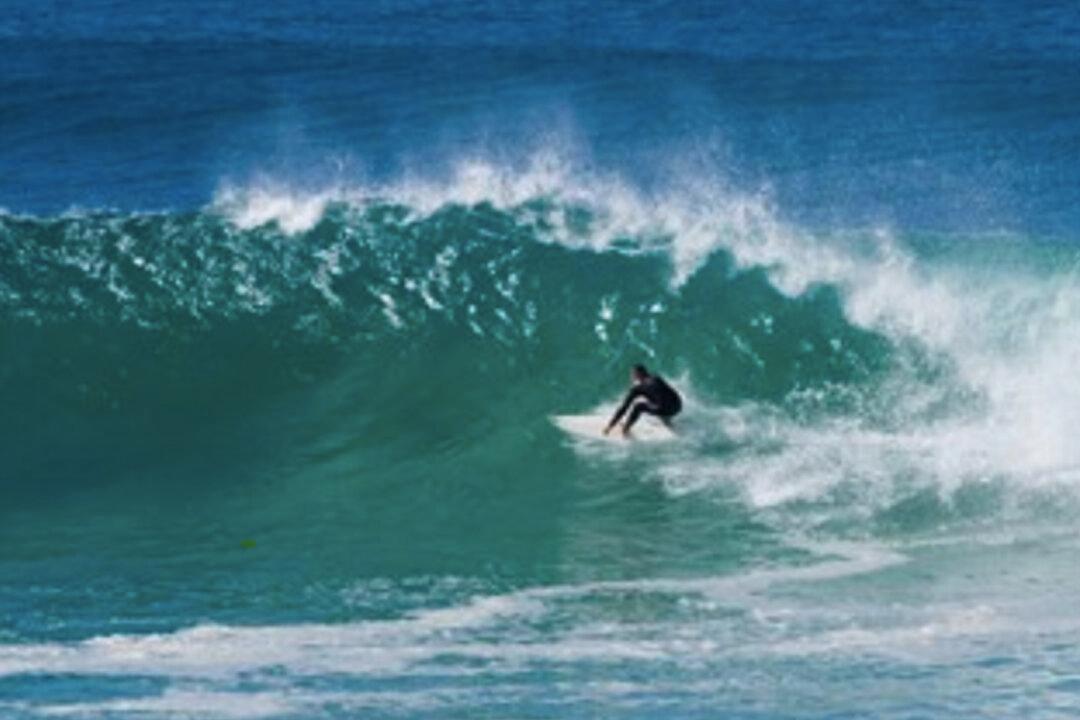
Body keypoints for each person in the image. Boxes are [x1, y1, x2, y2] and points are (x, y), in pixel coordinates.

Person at [603, 364, 682, 437]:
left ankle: (625, 429)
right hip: (677, 406)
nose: (632, 376)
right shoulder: (657, 378)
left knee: (639, 406)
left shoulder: (638, 388)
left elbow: (624, 408)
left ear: (638, 374)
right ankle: (668, 422)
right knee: (657, 401)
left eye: (633, 374)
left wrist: (610, 426)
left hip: (666, 409)